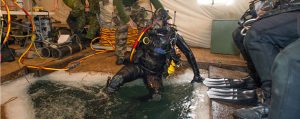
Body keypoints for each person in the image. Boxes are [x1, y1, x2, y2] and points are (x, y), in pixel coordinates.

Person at [106, 9, 203, 101]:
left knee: (157, 96)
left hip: (153, 74)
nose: (155, 22)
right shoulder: (147, 31)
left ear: (165, 21)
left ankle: (135, 104)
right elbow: (137, 47)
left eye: (159, 19)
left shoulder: (173, 36)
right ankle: (105, 101)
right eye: (154, 19)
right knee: (115, 81)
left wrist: (197, 75)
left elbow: (188, 53)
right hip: (138, 66)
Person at [233, 0, 300, 118]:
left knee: (257, 34)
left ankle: (271, 102)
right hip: (289, 7)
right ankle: (254, 80)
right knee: (238, 34)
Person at [113, 0, 164, 65]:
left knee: (145, 25)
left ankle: (141, 52)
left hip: (134, 4)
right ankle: (120, 55)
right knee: (122, 29)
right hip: (120, 6)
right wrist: (126, 19)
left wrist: (162, 11)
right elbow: (118, 3)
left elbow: (155, 1)